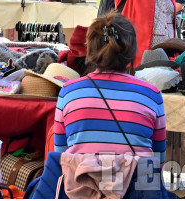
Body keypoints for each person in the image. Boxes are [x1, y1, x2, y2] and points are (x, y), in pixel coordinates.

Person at [53, 12, 167, 197]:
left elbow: (61, 156)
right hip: (139, 191)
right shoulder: (151, 94)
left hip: (82, 191)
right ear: (131, 52)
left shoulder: (69, 92)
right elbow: (158, 159)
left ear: (90, 50)